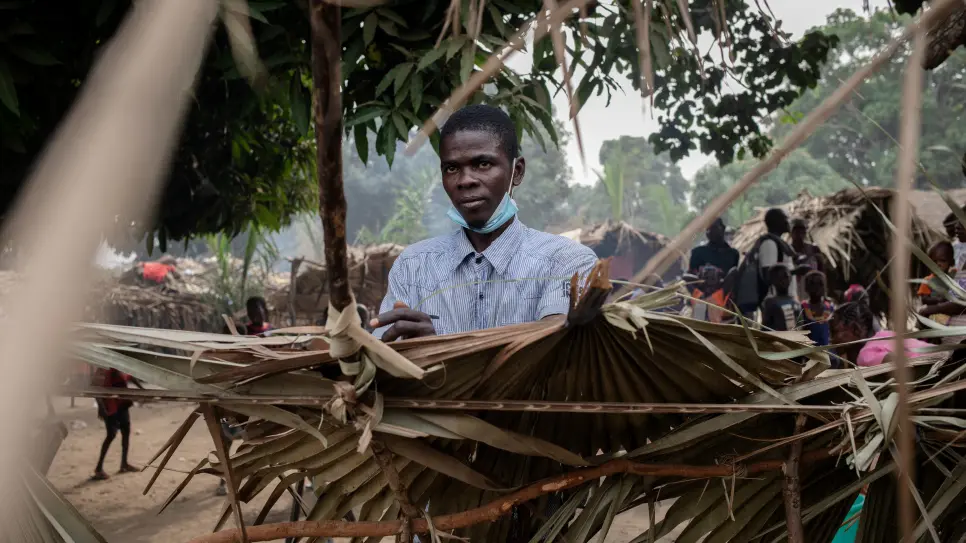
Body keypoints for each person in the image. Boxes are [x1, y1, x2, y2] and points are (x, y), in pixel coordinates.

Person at [371, 104, 598, 340]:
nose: (465, 180)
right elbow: (382, 360)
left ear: (517, 172)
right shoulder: (413, 266)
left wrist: (437, 349)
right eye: (451, 168)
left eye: (483, 164)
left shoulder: (566, 263)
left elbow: (552, 354)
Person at [830, 302, 932, 366]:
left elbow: (907, 369)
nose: (830, 339)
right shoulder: (884, 335)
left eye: (833, 332)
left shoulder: (866, 355)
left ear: (855, 329)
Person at [91, 367, 143, 480]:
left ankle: (124, 464)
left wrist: (142, 390)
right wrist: (101, 406)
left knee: (126, 431)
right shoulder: (103, 368)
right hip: (110, 405)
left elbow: (131, 376)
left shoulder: (121, 364)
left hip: (122, 403)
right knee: (111, 435)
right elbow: (95, 386)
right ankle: (98, 468)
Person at [918, 241, 958, 325]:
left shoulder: (954, 276)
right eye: (934, 261)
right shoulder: (928, 280)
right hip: (934, 313)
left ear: (951, 262)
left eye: (942, 261)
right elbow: (924, 299)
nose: (938, 264)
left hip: (953, 312)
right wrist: (937, 300)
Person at [761, 265, 801, 332]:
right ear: (772, 280)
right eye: (779, 278)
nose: (783, 281)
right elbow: (765, 326)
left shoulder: (795, 301)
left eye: (785, 277)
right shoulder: (770, 302)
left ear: (790, 278)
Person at [800, 270, 834, 346]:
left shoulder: (830, 307)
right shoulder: (803, 307)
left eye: (820, 284)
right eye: (813, 284)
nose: (817, 288)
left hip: (827, 351)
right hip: (808, 351)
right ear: (806, 288)